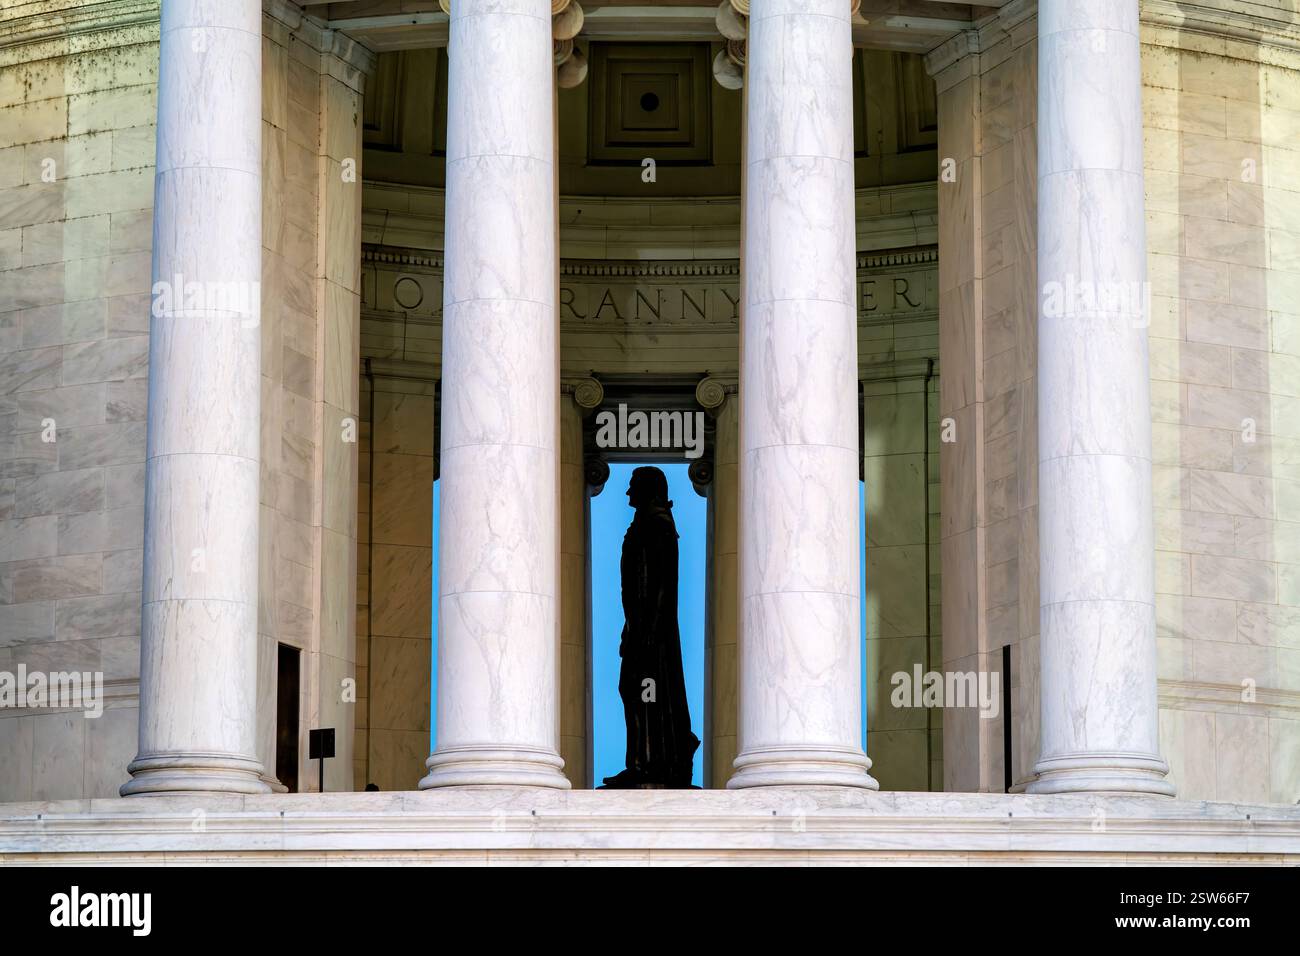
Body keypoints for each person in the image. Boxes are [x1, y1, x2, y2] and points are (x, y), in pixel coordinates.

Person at [601, 466, 699, 788]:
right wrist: (631, 629)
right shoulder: (646, 524)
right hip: (641, 629)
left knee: (646, 694)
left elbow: (660, 585)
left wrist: (648, 632)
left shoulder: (657, 526)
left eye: (633, 487)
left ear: (649, 489)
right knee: (636, 692)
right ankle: (646, 759)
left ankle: (650, 761)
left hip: (651, 636)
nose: (628, 493)